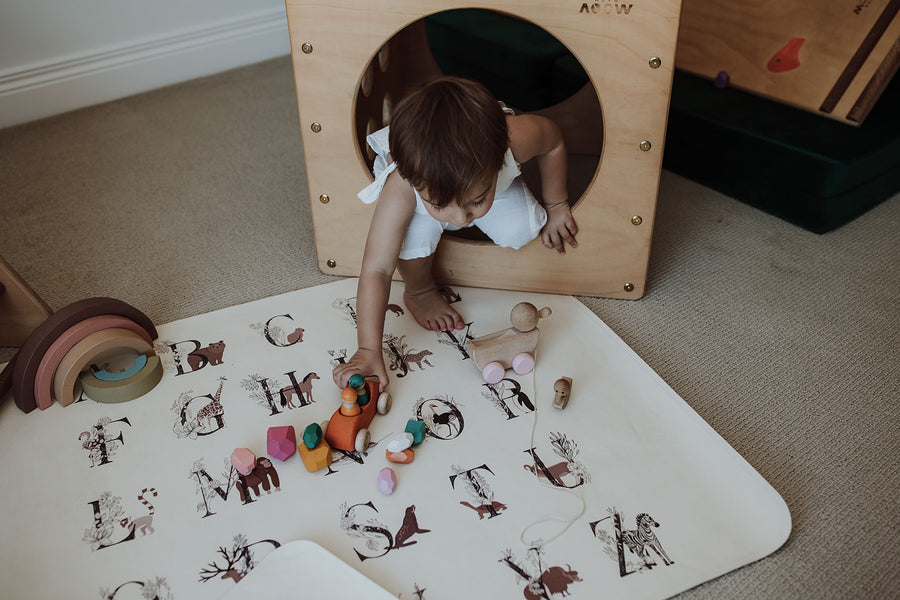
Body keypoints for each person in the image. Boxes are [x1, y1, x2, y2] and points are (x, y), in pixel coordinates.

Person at [332, 76, 577, 392]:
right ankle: (419, 291)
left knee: (524, 228)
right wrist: (368, 349)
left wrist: (557, 203)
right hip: (420, 197)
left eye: (476, 201)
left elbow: (553, 140)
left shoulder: (512, 140)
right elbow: (377, 268)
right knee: (411, 242)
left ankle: (462, 198)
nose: (462, 218)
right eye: (443, 205)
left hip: (470, 172)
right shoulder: (404, 185)